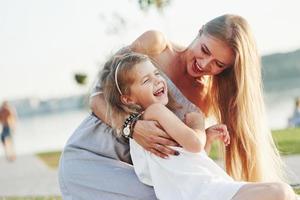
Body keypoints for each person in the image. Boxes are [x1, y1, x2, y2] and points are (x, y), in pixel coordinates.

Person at [59, 14, 290, 199]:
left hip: (139, 174)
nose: (204, 64)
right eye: (205, 50)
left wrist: (205, 138)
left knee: (177, 192)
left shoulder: (204, 99)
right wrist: (132, 127)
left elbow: (185, 157)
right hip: (88, 157)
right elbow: (98, 96)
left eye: (218, 64)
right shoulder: (156, 45)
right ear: (199, 31)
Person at [101, 52, 297, 200]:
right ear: (128, 99)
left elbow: (190, 159)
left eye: (155, 73)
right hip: (202, 193)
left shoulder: (148, 128)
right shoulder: (155, 113)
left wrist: (207, 139)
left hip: (197, 192)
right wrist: (198, 123)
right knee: (281, 192)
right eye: (146, 80)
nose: (157, 81)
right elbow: (194, 143)